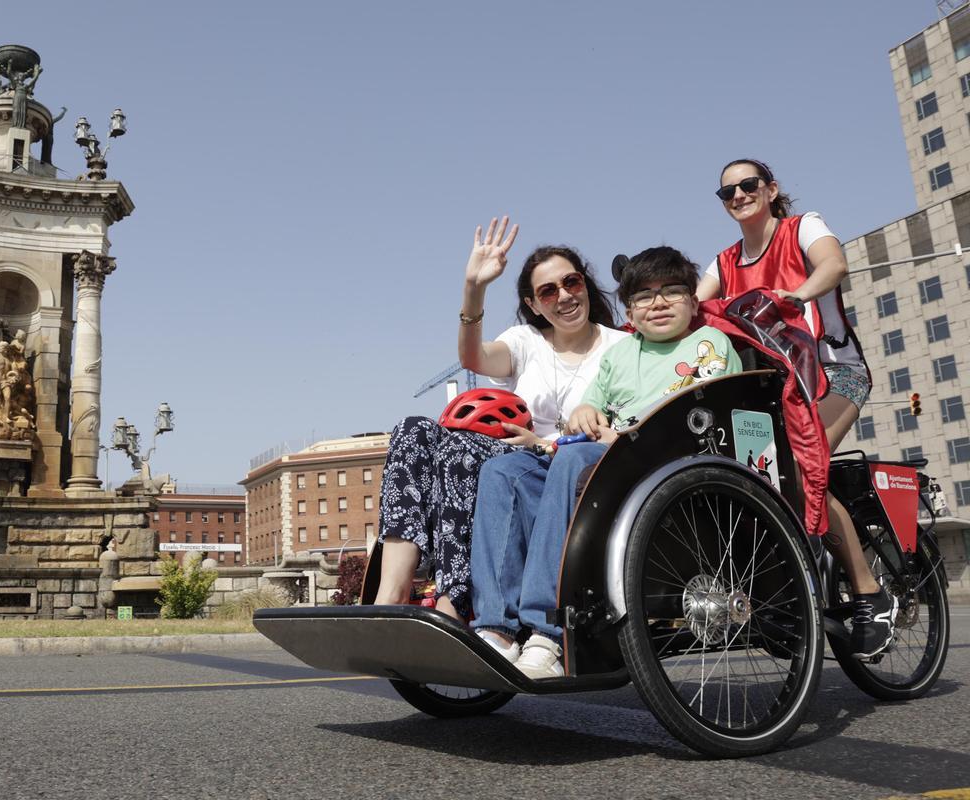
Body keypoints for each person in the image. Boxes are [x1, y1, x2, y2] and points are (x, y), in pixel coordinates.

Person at [472, 246, 742, 678]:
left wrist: (627, 436)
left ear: (694, 302)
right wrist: (585, 415)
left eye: (672, 292)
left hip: (662, 465)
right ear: (629, 311)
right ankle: (496, 629)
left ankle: (548, 631)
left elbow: (699, 419)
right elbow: (590, 407)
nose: (657, 303)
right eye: (643, 297)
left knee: (575, 455)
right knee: (504, 470)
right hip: (609, 460)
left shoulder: (706, 343)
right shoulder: (620, 354)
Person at [373, 217, 625, 622]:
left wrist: (542, 443)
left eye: (571, 283)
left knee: (459, 448)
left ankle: (452, 600)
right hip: (512, 452)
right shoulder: (526, 342)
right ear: (534, 304)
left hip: (567, 463)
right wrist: (475, 287)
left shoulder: (622, 348)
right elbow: (473, 358)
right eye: (548, 291)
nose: (563, 296)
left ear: (585, 284)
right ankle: (391, 594)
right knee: (412, 430)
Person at [698, 158, 896, 659]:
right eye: (728, 193)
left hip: (832, 374)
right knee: (749, 478)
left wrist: (795, 295)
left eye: (748, 185)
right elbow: (690, 307)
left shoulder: (801, 228)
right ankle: (786, 593)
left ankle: (870, 593)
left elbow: (834, 264)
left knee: (801, 473)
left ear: (770, 188)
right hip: (772, 392)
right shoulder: (723, 264)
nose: (739, 195)